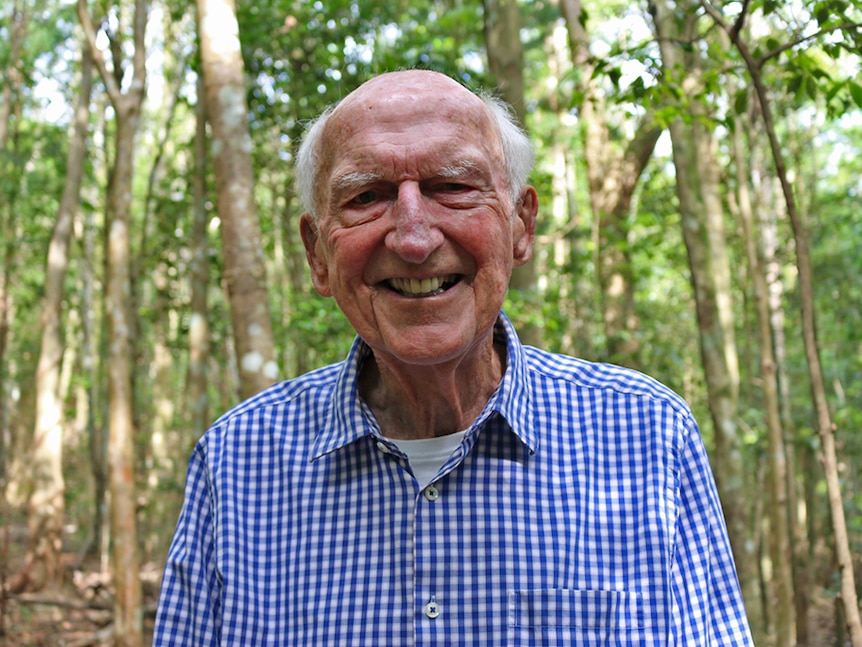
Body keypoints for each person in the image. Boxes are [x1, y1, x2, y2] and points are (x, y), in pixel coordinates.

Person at [153, 70, 753, 645]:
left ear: (520, 225)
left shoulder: (644, 436)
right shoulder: (237, 467)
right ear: (317, 253)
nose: (413, 238)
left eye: (454, 188)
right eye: (367, 196)